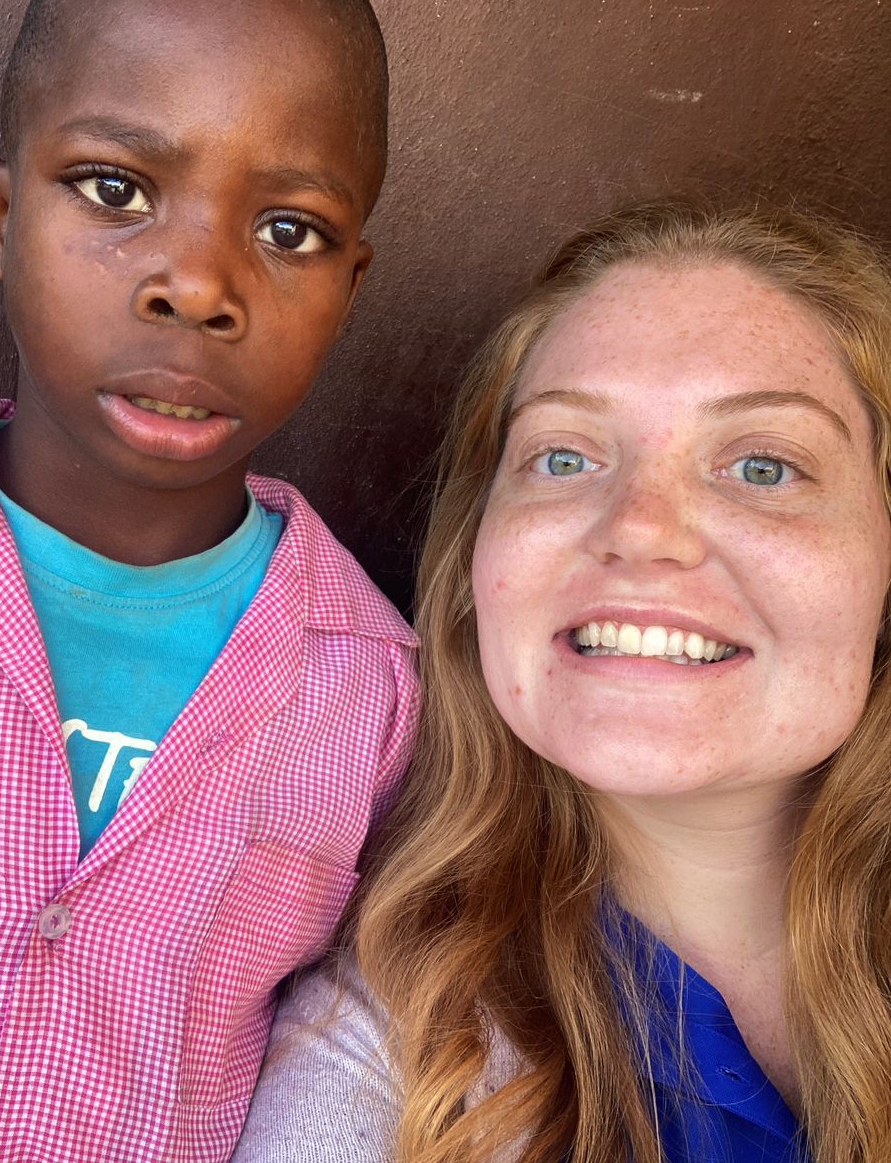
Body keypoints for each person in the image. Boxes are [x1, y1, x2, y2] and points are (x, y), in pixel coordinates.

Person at [0, 0, 418, 1161]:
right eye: (116, 188)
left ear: (349, 287)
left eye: (288, 230)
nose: (200, 284)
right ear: (0, 216)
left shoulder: (378, 701)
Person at [232, 200, 891, 1163]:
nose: (641, 527)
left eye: (763, 465)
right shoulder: (390, 1068)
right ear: (474, 561)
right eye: (565, 456)